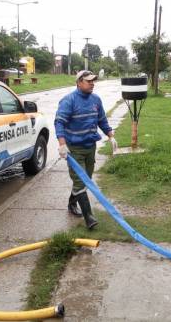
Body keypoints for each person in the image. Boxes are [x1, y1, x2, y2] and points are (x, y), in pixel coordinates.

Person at [55, 70, 117, 229]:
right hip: (74, 149)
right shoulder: (69, 101)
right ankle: (89, 218)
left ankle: (71, 203)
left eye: (93, 81)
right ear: (79, 82)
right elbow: (59, 123)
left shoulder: (96, 100)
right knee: (81, 181)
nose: (92, 83)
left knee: (85, 180)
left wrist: (111, 135)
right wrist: (62, 144)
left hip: (90, 147)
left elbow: (102, 120)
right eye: (88, 81)